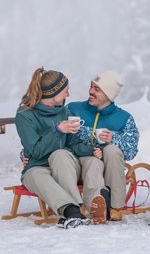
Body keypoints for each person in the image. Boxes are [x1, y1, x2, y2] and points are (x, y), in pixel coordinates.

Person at [15, 67, 101, 229]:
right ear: (52, 93)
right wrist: (58, 131)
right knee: (33, 174)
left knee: (60, 154)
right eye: (65, 91)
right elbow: (36, 151)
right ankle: (72, 211)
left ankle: (76, 209)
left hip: (65, 167)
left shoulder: (64, 112)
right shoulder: (25, 115)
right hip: (38, 166)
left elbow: (73, 145)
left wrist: (91, 150)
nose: (68, 95)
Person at [67, 70, 139, 223]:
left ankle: (115, 207)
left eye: (97, 89)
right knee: (92, 162)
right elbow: (61, 135)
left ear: (108, 94)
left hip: (108, 167)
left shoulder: (124, 118)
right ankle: (94, 204)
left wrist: (114, 138)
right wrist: (91, 136)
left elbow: (131, 150)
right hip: (80, 164)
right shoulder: (74, 109)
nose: (91, 91)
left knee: (112, 149)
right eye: (91, 86)